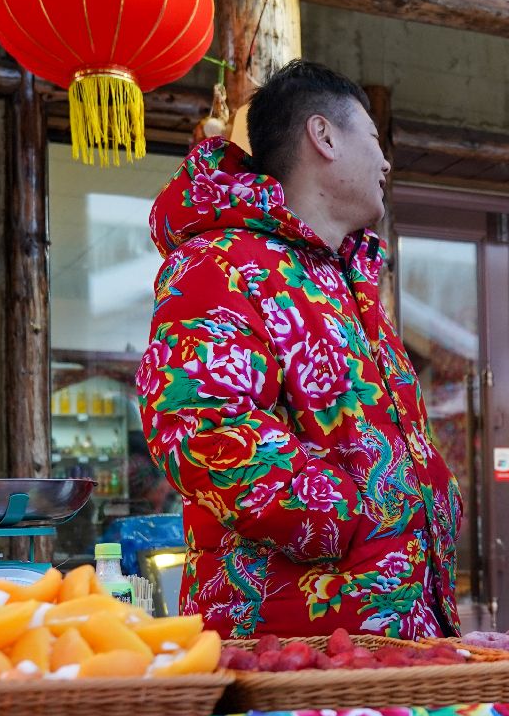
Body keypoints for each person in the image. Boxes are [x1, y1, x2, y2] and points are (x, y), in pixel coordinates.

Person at [137, 60, 461, 639]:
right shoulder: (219, 262)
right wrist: (349, 516)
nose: (386, 161)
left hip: (392, 640)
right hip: (291, 644)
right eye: (373, 138)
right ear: (324, 136)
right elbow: (202, 424)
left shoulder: (348, 282)